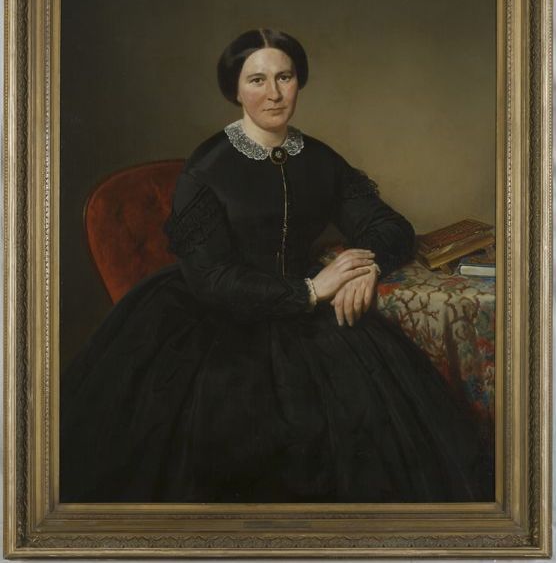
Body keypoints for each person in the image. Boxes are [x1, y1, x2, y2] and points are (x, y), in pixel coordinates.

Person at [60, 28, 493, 503]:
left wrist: (363, 266)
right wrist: (310, 291)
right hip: (214, 322)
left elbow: (390, 226)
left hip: (309, 321)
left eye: (284, 77)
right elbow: (212, 278)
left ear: (298, 82)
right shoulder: (208, 166)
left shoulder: (319, 158)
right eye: (257, 80)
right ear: (235, 90)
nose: (274, 93)